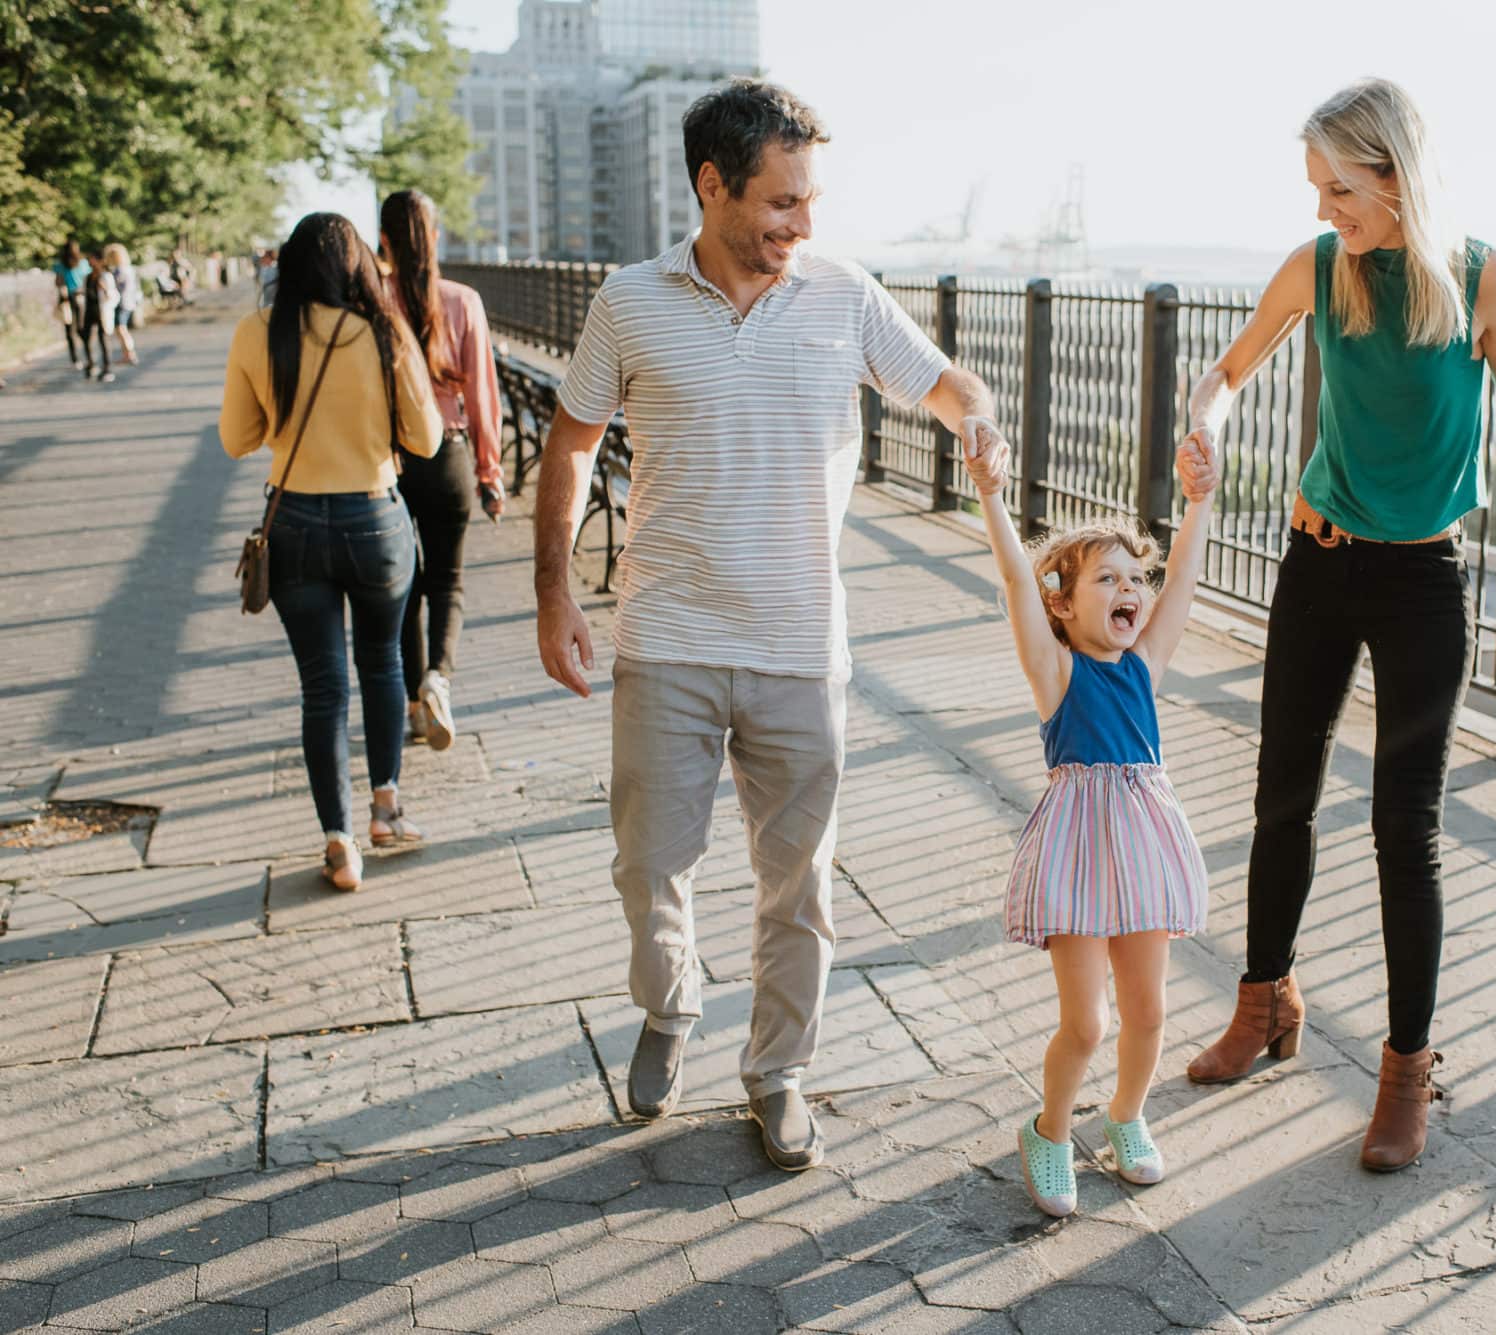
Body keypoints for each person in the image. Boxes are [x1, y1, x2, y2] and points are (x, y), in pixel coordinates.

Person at [533, 79, 1007, 1171]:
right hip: (667, 641)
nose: (802, 225)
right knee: (649, 867)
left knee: (798, 886)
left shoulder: (843, 296)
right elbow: (566, 447)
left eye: (809, 201)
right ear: (712, 186)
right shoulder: (629, 302)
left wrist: (976, 420)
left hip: (800, 651)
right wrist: (555, 596)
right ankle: (668, 1003)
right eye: (782, 203)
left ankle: (780, 1074)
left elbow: (949, 389)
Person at [1181, 79, 1496, 1172]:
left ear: (1394, 177)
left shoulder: (1481, 277)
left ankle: (1405, 1071)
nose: (1322, 209)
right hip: (1315, 564)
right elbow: (1227, 370)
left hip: (1421, 586)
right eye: (1316, 188)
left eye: (1338, 188)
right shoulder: (1321, 270)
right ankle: (1262, 1002)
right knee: (1280, 798)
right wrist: (1202, 424)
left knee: (1404, 829)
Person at [964, 431, 1216, 1217]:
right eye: (1105, 578)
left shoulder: (1145, 665)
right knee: (1088, 1022)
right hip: (1078, 859)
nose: (1128, 588)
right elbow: (1014, 578)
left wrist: (1200, 501)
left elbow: (1182, 581)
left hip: (1141, 855)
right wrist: (991, 494)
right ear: (1063, 608)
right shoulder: (1059, 670)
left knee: (1148, 1013)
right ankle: (1048, 1130)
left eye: (1132, 576)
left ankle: (1127, 1116)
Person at [219, 212, 444, 892]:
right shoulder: (382, 332)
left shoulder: (258, 333)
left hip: (295, 527)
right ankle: (385, 809)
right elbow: (427, 439)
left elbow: (237, 438)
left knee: (323, 688)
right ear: (356, 267)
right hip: (375, 520)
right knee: (381, 667)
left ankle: (338, 841)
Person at [377, 188, 505, 755]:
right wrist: (490, 471)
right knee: (447, 579)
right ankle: (439, 678)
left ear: (382, 240)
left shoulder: (371, 302)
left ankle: (409, 703)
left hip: (390, 459)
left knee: (404, 585)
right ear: (434, 238)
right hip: (450, 455)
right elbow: (483, 394)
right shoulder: (463, 300)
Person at [52, 241, 90, 372]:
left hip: (66, 298)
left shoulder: (60, 265)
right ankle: (88, 354)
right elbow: (87, 280)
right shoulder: (83, 263)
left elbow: (58, 282)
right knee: (81, 328)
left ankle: (75, 359)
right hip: (80, 297)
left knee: (70, 331)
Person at [80, 251, 116, 383]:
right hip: (89, 312)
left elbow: (113, 297)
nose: (90, 262)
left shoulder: (106, 277)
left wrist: (106, 290)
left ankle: (107, 369)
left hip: (102, 313)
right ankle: (91, 364)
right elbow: (84, 294)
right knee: (87, 338)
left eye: (92, 259)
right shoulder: (88, 277)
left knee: (103, 340)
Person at [104, 243, 142, 365]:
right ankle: (128, 354)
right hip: (129, 301)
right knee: (122, 329)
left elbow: (118, 288)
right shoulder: (129, 269)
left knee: (121, 329)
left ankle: (129, 354)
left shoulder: (119, 271)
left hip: (121, 302)